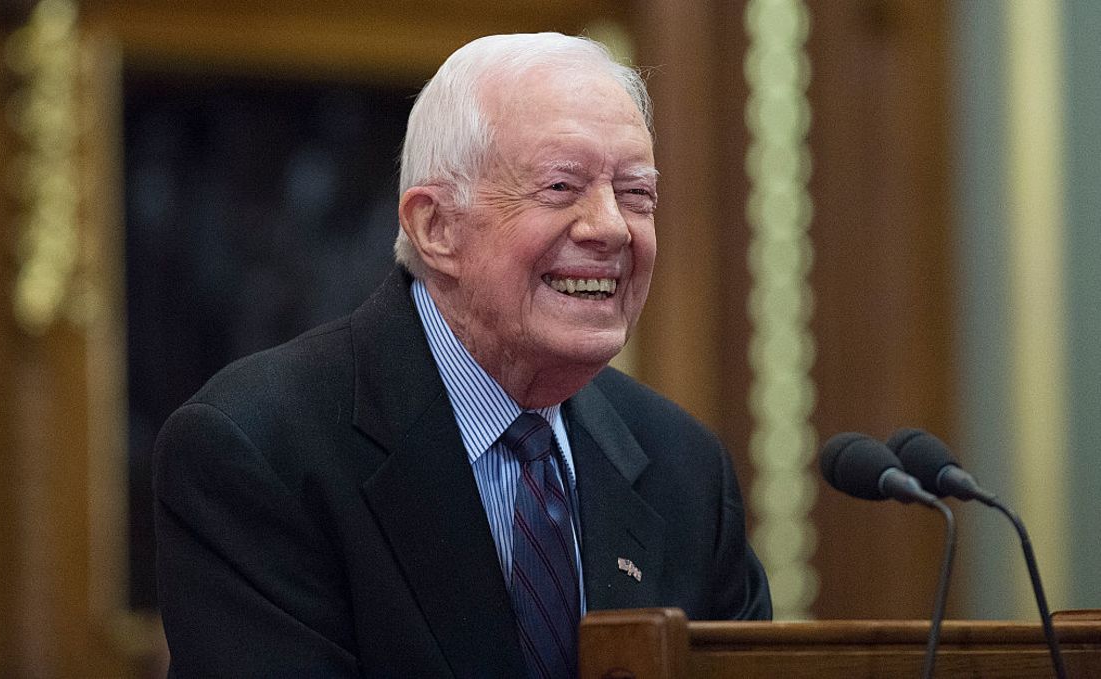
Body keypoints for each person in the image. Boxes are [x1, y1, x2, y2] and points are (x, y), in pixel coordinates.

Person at [154, 32, 771, 679]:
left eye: (636, 193)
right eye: (562, 186)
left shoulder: (684, 469)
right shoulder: (258, 450)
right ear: (436, 227)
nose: (612, 226)